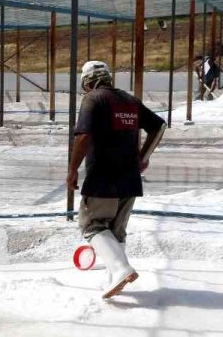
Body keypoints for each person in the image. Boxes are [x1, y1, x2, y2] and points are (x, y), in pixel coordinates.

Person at [66, 61, 166, 299]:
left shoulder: (93, 99)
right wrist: (143, 157)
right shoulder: (129, 100)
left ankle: (121, 269)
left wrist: (72, 170)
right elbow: (159, 126)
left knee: (93, 226)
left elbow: (84, 137)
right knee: (115, 231)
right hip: (129, 180)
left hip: (102, 177)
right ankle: (113, 279)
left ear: (88, 82)